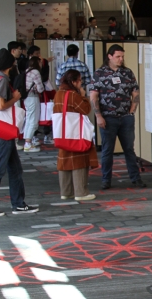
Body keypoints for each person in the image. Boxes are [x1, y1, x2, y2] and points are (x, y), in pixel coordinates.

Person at [0, 48, 39, 217]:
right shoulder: (3, 80)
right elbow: (1, 105)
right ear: (9, 63)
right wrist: (16, 98)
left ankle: (18, 203)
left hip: (3, 131)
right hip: (3, 130)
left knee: (15, 169)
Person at [89, 44, 145, 190]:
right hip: (108, 117)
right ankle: (106, 179)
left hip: (125, 117)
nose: (121, 59)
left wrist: (132, 111)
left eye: (122, 56)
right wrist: (98, 116)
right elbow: (94, 96)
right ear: (109, 56)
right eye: (118, 56)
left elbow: (135, 92)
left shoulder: (127, 73)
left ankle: (135, 178)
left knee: (129, 149)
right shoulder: (100, 73)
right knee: (108, 150)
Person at [54, 70, 98, 201]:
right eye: (79, 81)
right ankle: (81, 192)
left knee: (64, 160)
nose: (81, 83)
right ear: (73, 82)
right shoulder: (73, 94)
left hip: (63, 132)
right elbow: (85, 109)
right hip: (75, 133)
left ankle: (66, 192)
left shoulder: (58, 93)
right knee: (79, 160)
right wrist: (83, 96)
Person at [27, 45, 55, 145]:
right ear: (31, 55)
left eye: (39, 53)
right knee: (33, 116)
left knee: (44, 112)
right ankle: (32, 138)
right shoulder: (30, 67)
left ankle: (45, 134)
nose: (39, 55)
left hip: (41, 93)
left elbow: (45, 76)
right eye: (36, 54)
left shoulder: (44, 62)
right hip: (35, 94)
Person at [21, 57, 44, 152]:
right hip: (33, 97)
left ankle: (27, 141)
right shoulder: (36, 72)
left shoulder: (27, 71)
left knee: (29, 119)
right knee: (33, 120)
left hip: (26, 97)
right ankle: (28, 143)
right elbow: (40, 89)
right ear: (37, 62)